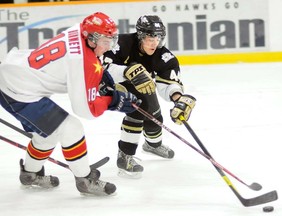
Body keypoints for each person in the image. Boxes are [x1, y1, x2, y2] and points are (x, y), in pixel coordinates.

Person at [0, 12, 139, 195]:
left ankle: (29, 174)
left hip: (16, 75)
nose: (109, 47)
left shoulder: (79, 30)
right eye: (106, 41)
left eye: (111, 40)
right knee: (71, 128)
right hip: (18, 90)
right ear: (92, 38)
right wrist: (112, 101)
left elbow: (85, 64)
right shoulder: (81, 60)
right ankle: (85, 180)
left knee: (48, 134)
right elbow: (85, 110)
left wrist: (98, 79)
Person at [103, 15, 196, 177]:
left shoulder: (164, 56)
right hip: (111, 84)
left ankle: (153, 145)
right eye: (150, 38)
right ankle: (125, 156)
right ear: (140, 36)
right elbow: (102, 69)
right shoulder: (121, 44)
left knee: (154, 115)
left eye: (158, 38)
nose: (155, 43)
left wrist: (178, 99)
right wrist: (125, 71)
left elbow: (168, 82)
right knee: (138, 111)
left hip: (141, 84)